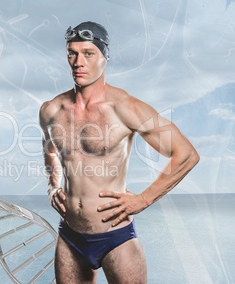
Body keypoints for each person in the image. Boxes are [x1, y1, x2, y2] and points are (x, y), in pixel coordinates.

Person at [39, 21, 200, 283]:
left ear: (104, 57)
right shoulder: (51, 110)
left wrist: (144, 199)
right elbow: (50, 149)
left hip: (116, 237)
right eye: (72, 53)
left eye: (88, 53)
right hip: (70, 237)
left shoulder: (125, 107)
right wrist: (52, 185)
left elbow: (186, 153)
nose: (78, 62)